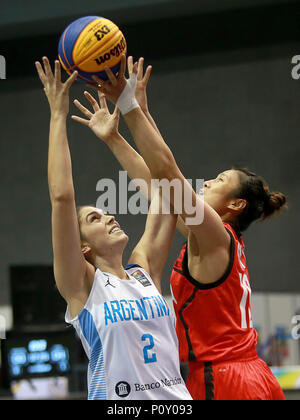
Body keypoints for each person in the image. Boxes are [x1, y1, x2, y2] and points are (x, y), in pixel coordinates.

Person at [72, 55, 287, 400]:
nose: (206, 183)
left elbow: (170, 177)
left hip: (227, 378)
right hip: (247, 375)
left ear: (235, 205)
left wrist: (129, 105)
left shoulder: (215, 234)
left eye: (219, 181)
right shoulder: (210, 239)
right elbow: (161, 188)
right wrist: (121, 131)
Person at [35, 56, 192, 401]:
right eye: (94, 219)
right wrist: (58, 115)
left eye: (105, 213)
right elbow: (62, 197)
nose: (108, 217)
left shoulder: (144, 268)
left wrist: (133, 117)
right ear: (81, 249)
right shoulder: (83, 286)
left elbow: (167, 187)